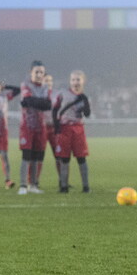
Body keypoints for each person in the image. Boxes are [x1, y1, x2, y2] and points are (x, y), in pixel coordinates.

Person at [52, 70, 91, 193]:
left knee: (81, 158)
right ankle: (64, 186)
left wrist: (85, 102)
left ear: (83, 81)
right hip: (64, 129)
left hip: (78, 129)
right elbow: (55, 110)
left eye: (78, 80)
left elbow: (87, 114)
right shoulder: (63, 94)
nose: (75, 82)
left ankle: (86, 186)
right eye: (73, 80)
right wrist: (56, 126)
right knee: (64, 159)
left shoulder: (84, 97)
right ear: (70, 81)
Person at [17, 60, 52, 195]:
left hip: (40, 126)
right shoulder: (25, 85)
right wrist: (38, 102)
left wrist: (32, 102)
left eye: (41, 72)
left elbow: (47, 105)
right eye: (36, 72)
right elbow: (27, 101)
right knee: (26, 155)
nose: (39, 74)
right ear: (30, 73)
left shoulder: (45, 88)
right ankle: (23, 185)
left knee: (37, 156)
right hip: (27, 126)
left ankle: (33, 185)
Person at [43, 74, 61, 188]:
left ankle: (62, 180)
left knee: (59, 155)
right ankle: (33, 182)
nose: (49, 82)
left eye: (50, 80)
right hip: (42, 127)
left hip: (54, 128)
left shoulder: (57, 95)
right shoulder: (38, 94)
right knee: (37, 156)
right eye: (46, 80)